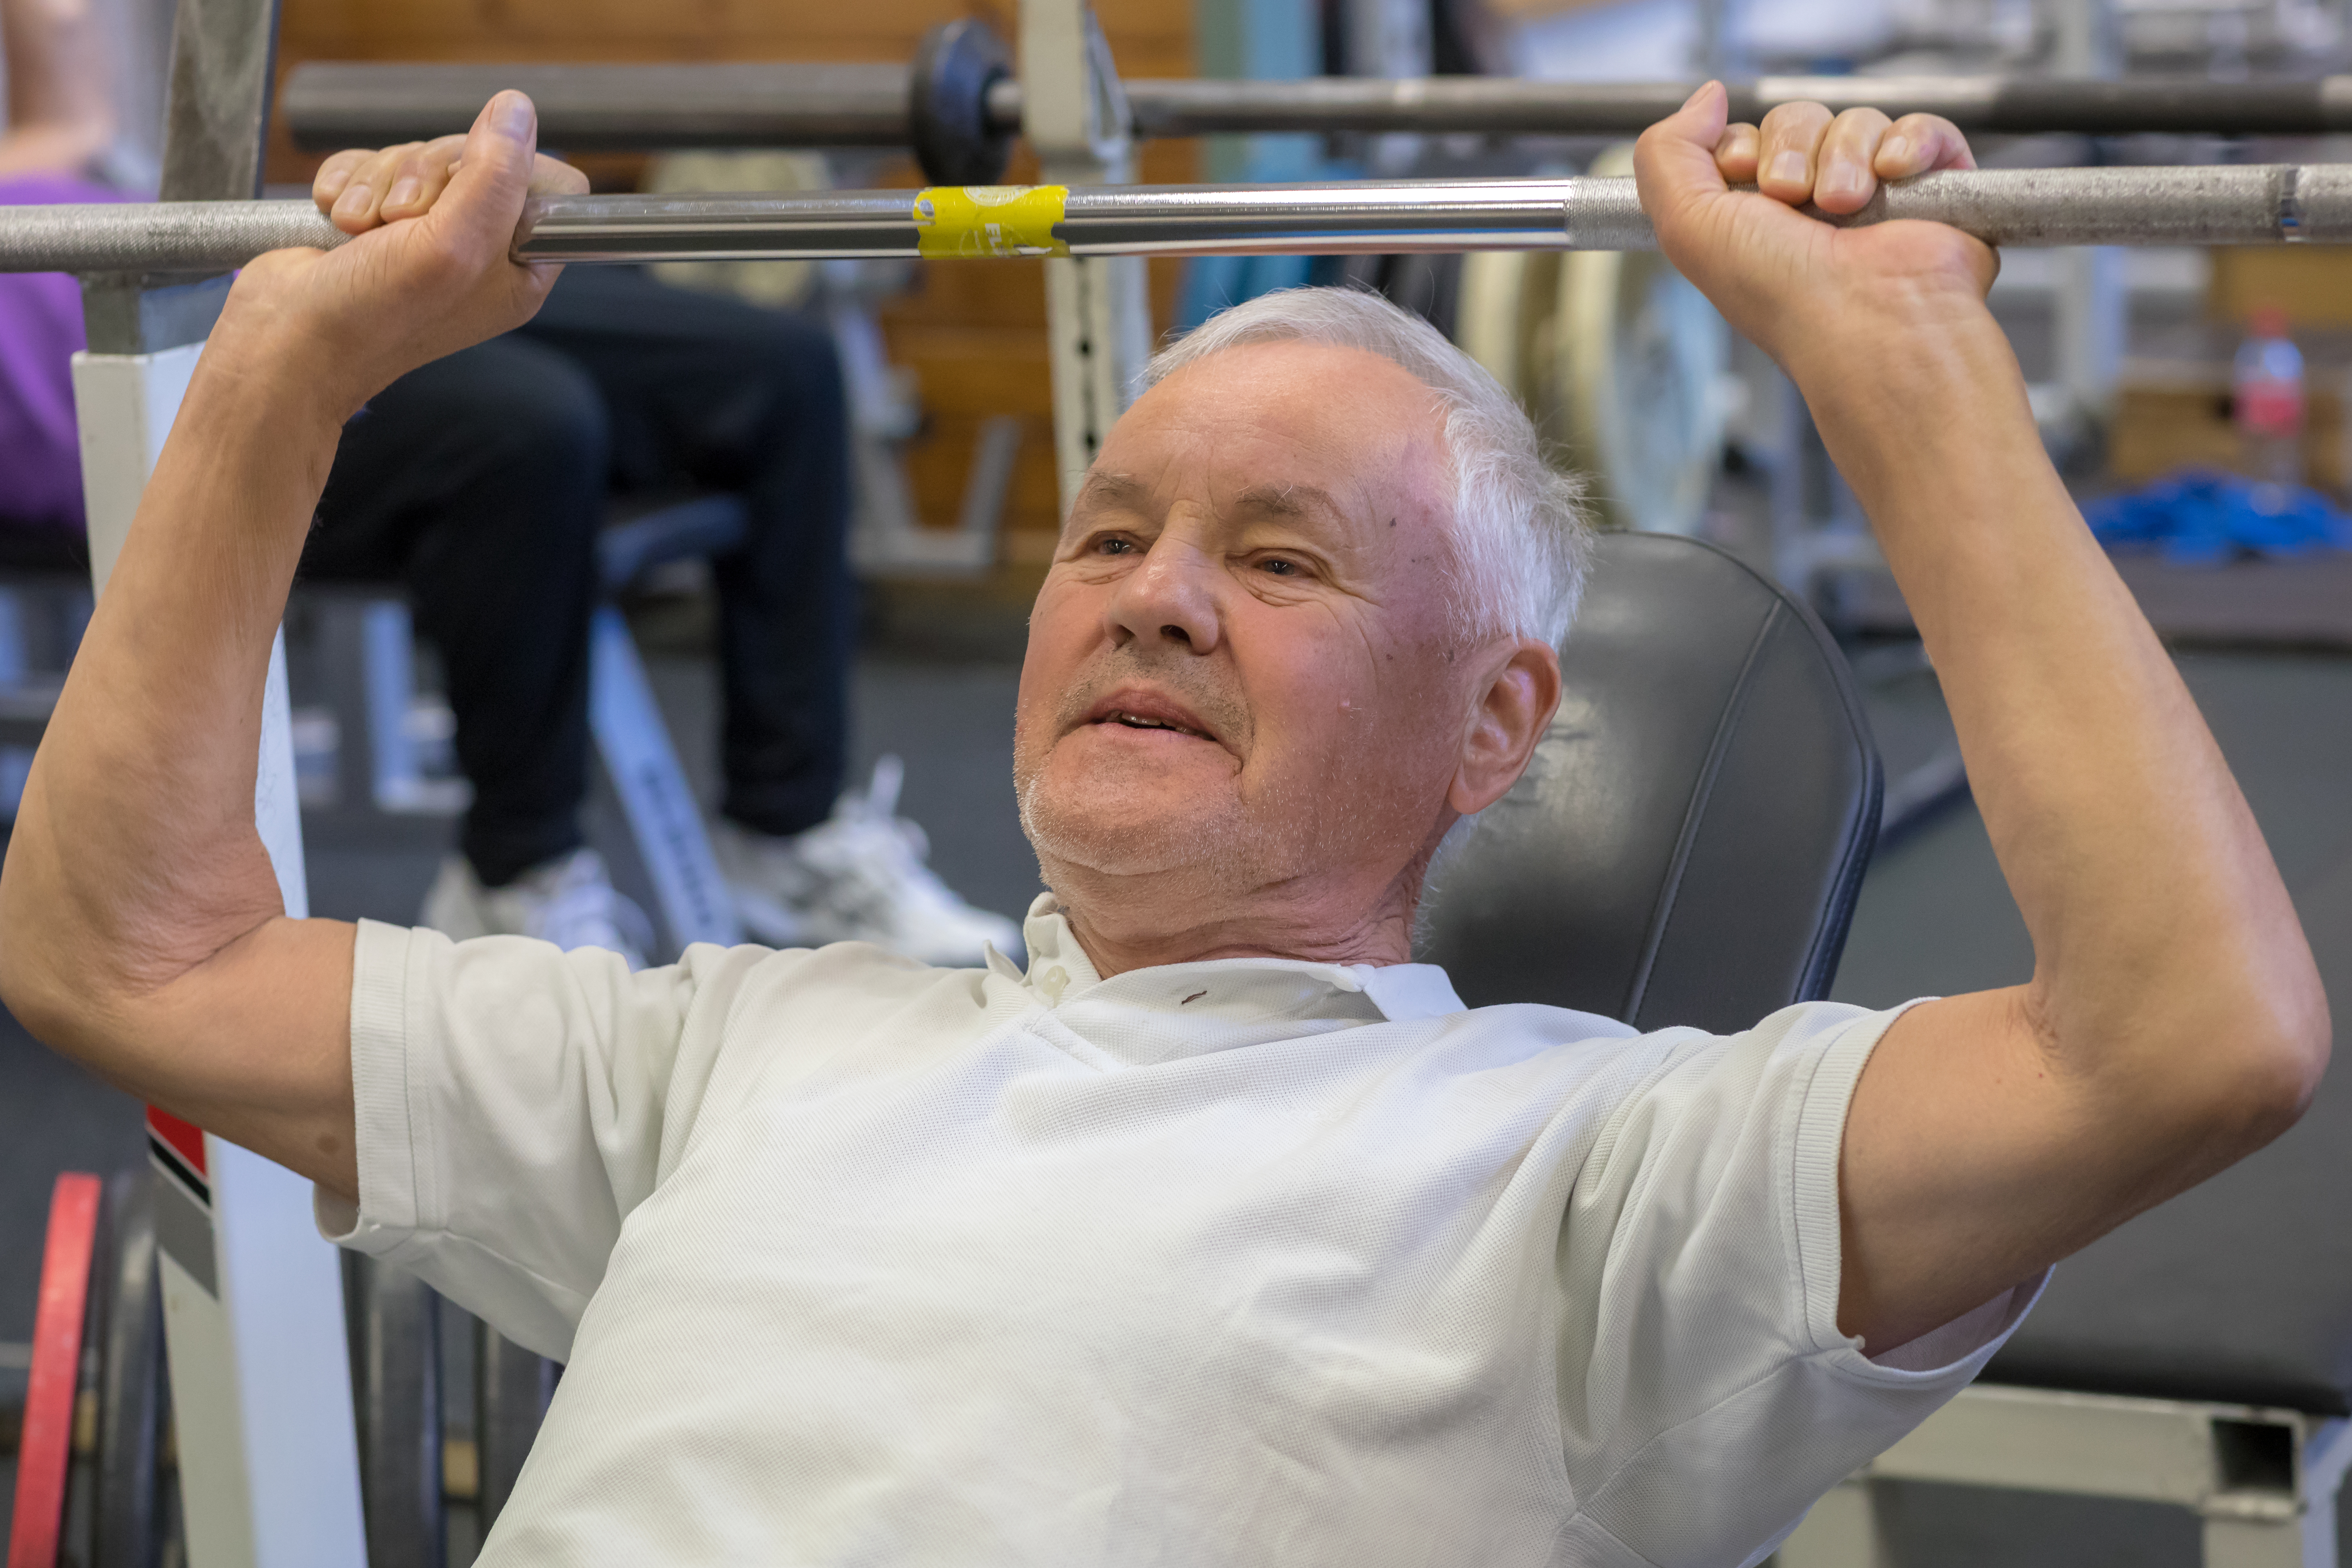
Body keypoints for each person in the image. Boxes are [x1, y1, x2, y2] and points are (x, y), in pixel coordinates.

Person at [0, 85, 2328, 1564]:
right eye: (1103, 539)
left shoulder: (1597, 1170)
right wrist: (282, 377)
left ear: (1497, 719)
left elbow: (2183, 1036)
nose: (1158, 598)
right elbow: (141, 957)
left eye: (1283, 559)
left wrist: (1897, 367)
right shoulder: (738, 1046)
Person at [0, 0, 1017, 967]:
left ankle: (788, 827)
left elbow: (72, 119)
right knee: (523, 429)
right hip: (84, 333)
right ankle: (514, 874)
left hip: (188, 252)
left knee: (780, 371)